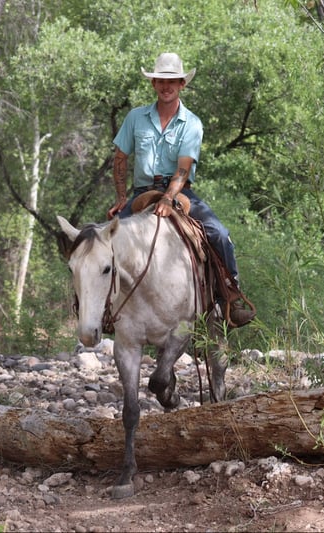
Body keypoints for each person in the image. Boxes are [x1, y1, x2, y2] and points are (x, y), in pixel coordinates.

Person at [107, 52, 255, 328]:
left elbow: (184, 168)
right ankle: (105, 309)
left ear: (181, 84)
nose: (166, 86)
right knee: (105, 239)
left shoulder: (192, 123)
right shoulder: (135, 117)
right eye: (161, 81)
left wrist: (167, 197)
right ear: (153, 83)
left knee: (219, 234)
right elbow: (120, 157)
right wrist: (121, 197)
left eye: (172, 81)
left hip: (180, 192)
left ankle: (230, 297)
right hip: (141, 191)